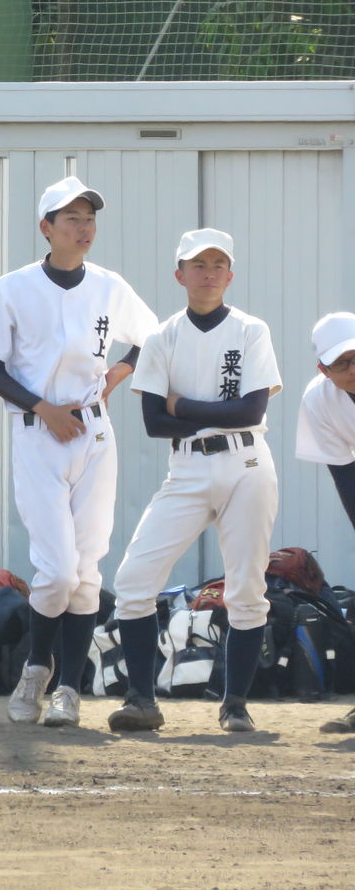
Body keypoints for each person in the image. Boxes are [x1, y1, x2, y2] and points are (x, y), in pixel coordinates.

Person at [0, 176, 157, 727]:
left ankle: (68, 689)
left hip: (93, 434)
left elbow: (152, 339)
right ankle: (36, 666)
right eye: (70, 218)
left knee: (88, 572)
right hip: (38, 433)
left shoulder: (109, 286)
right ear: (46, 228)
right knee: (55, 572)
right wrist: (43, 407)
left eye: (89, 217)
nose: (83, 227)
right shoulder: (12, 288)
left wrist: (119, 371)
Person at [108, 228, 281, 734]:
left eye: (216, 265)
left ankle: (235, 704)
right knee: (133, 581)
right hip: (186, 466)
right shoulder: (163, 336)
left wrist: (182, 405)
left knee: (247, 590)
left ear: (231, 275)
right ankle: (141, 700)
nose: (207, 274)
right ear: (179, 275)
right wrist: (211, 416)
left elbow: (252, 409)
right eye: (197, 265)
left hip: (247, 465)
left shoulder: (251, 330)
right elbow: (153, 422)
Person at [294, 312, 355, 734]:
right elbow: (347, 475)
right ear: (323, 369)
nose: (352, 369)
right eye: (341, 364)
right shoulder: (319, 401)